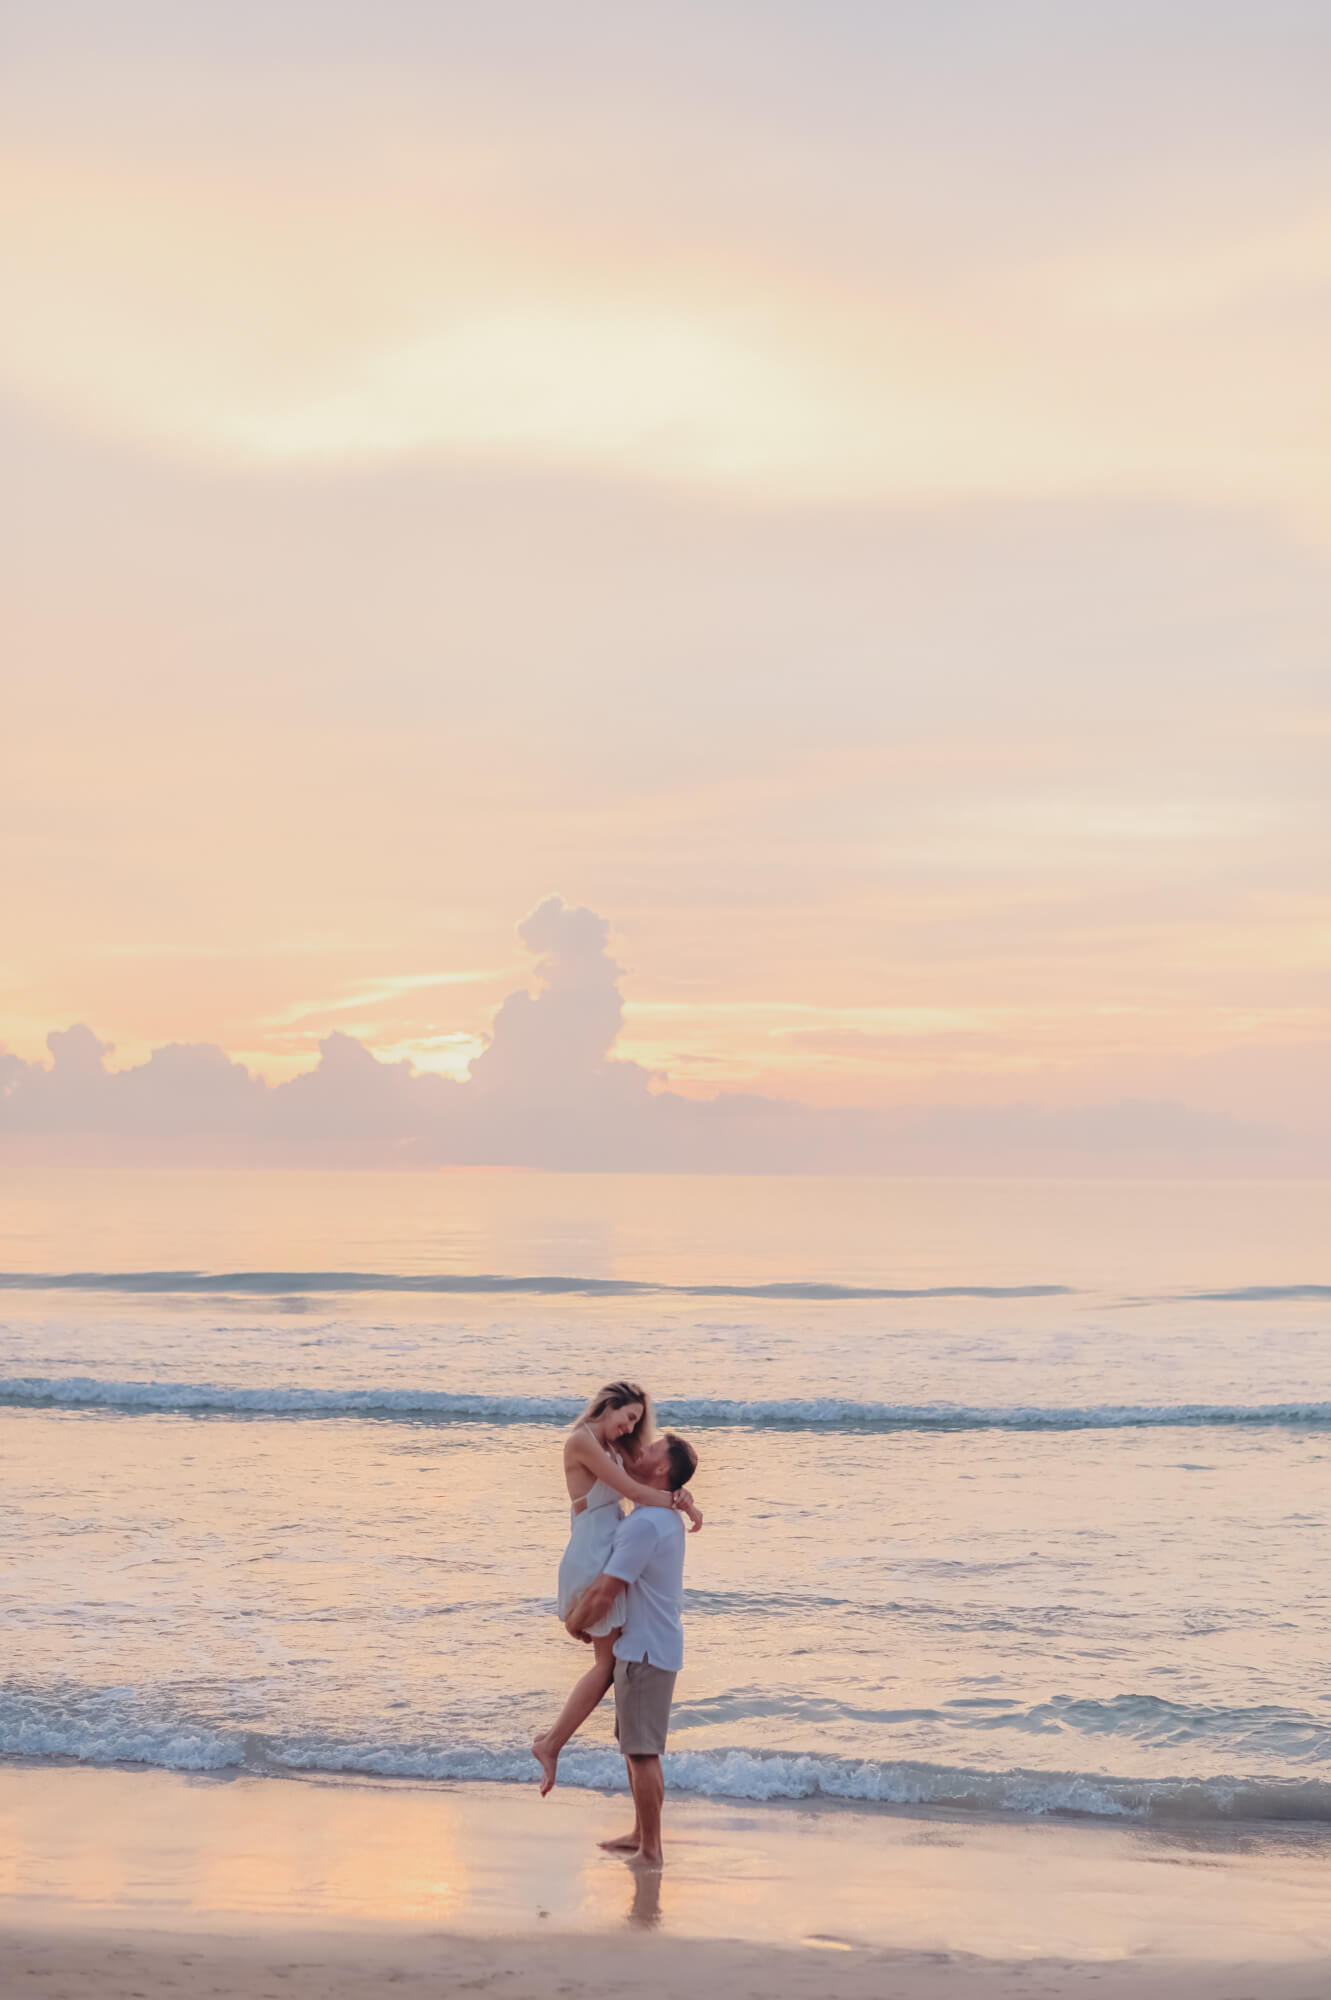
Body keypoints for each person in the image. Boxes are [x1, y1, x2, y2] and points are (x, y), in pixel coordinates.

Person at [532, 1383, 701, 1797]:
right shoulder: (582, 1442)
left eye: (636, 1424)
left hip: (605, 1552)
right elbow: (635, 1491)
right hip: (592, 1557)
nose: (630, 1430)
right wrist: (683, 1504)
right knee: (608, 1667)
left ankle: (557, 1744)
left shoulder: (610, 1446)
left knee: (615, 1666)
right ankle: (550, 1745)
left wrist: (679, 1490)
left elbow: (652, 1478)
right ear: (609, 1405)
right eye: (628, 1418)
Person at [562, 1430, 699, 1869]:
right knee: (634, 1746)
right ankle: (641, 1833)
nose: (644, 1449)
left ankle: (652, 1849)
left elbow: (606, 1591)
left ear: (661, 1469)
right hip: (647, 1647)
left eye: (653, 1448)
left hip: (643, 1651)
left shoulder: (643, 1525)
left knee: (642, 1753)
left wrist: (575, 1623)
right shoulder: (655, 1515)